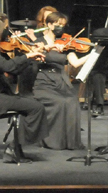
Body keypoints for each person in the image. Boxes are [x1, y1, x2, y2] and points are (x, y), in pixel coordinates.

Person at [0, 12, 49, 163]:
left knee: (30, 105)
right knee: (36, 107)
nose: (8, 30)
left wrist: (29, 58)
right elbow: (8, 66)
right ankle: (14, 147)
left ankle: (16, 147)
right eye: (6, 27)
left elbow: (12, 70)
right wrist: (27, 56)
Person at [29, 12, 88, 150]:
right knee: (60, 103)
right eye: (58, 25)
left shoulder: (65, 43)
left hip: (61, 81)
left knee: (72, 102)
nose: (61, 28)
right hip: (44, 82)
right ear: (49, 25)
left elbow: (75, 63)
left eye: (62, 25)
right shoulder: (39, 42)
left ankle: (70, 142)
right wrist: (49, 48)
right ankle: (53, 141)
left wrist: (94, 54)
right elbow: (36, 58)